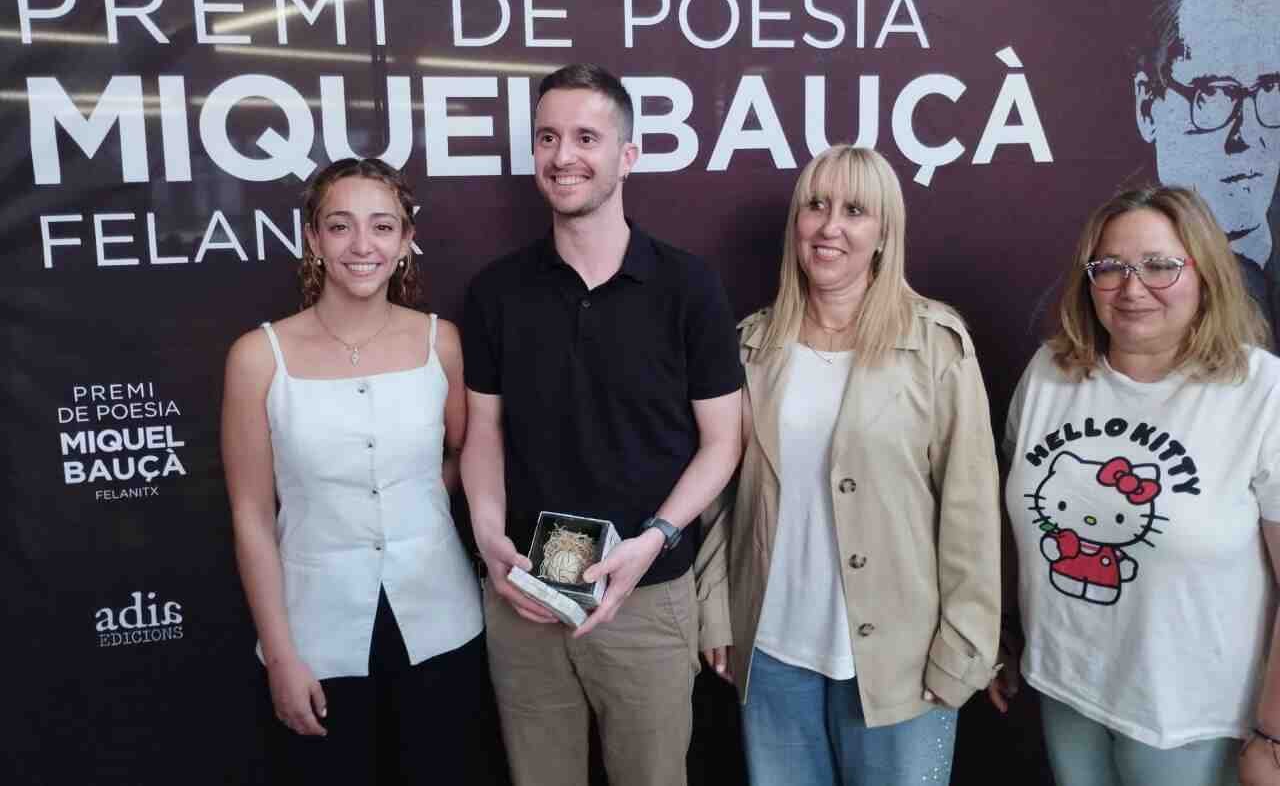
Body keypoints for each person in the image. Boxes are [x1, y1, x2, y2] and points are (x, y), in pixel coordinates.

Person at [460, 63, 743, 786]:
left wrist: (656, 540)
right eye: (547, 137)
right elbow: (483, 431)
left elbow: (723, 442)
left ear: (627, 155)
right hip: (525, 593)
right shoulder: (496, 291)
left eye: (587, 137)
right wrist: (488, 537)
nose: (564, 156)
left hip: (647, 597)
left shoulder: (689, 287)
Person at [696, 144, 1001, 786]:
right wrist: (716, 608)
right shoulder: (752, 345)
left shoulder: (936, 344)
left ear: (884, 233)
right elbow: (726, 496)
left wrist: (965, 645)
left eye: (855, 211)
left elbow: (971, 508)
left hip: (902, 660)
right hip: (772, 649)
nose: (830, 226)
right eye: (816, 206)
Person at [221, 157, 503, 784]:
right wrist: (281, 656)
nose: (362, 245)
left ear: (405, 242)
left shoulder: (442, 343)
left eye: (382, 226)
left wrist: (413, 506)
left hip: (442, 623)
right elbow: (251, 515)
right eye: (340, 225)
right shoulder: (257, 358)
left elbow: (465, 454)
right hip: (315, 636)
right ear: (313, 239)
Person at [990, 184, 1280, 786]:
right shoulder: (1050, 372)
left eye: (1159, 265)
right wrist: (1004, 629)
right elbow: (1015, 517)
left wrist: (1274, 732)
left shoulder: (1262, 392)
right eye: (1110, 267)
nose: (1132, 287)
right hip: (1067, 687)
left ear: (1205, 274)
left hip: (1194, 718)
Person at [1134, 0, 1280, 327]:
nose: (1247, 134)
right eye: (1213, 94)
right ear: (1148, 107)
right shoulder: (1095, 310)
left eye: (1270, 88)